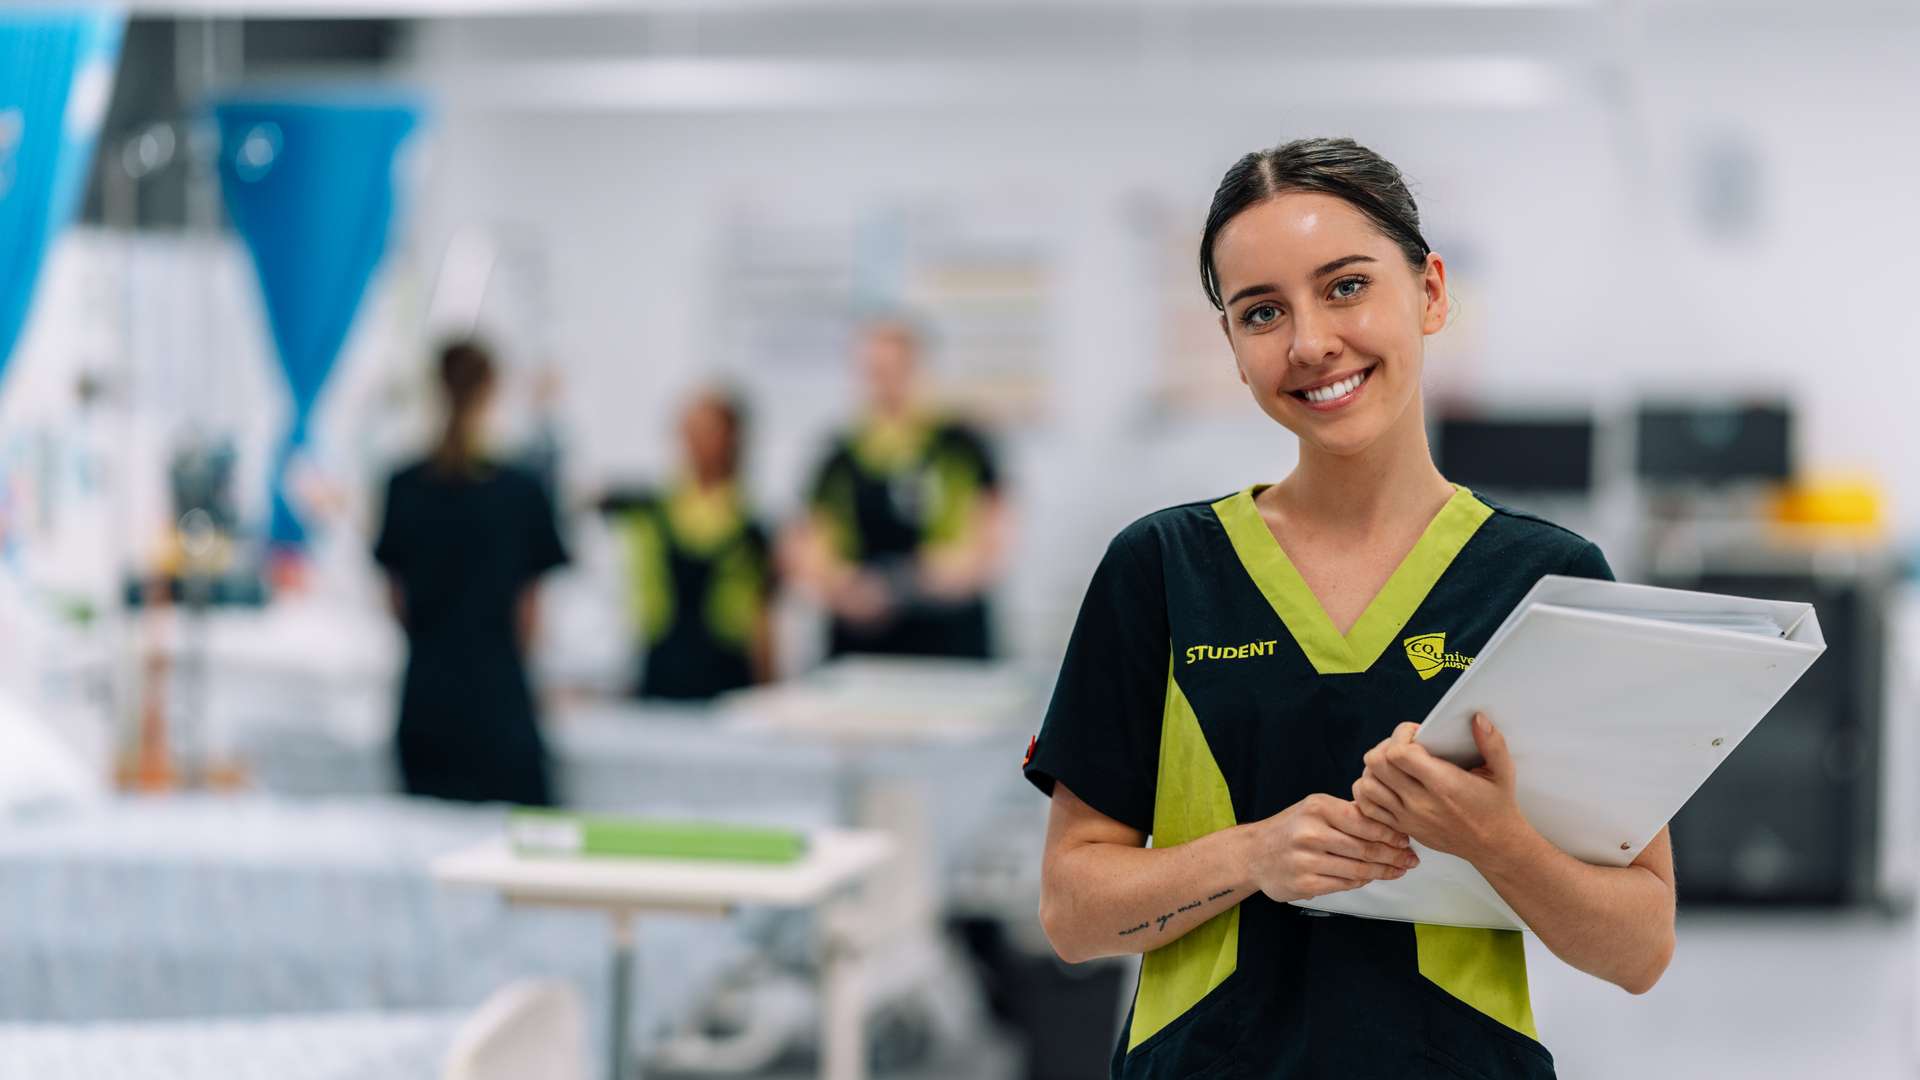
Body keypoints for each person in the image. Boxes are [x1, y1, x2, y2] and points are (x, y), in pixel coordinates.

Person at [1023, 138, 1675, 1079]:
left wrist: (1496, 841)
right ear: (1235, 350)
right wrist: (1252, 856)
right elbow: (1072, 915)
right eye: (1261, 312)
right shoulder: (1161, 569)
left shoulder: (1550, 581)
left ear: (1432, 292)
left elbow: (1639, 947)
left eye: (1345, 286)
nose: (1310, 342)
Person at [373, 340, 569, 805]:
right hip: (498, 697)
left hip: (427, 698)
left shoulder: (403, 487)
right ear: (491, 391)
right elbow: (528, 617)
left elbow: (396, 603)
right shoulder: (522, 492)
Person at [786, 319, 1008, 660]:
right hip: (860, 645)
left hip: (949, 642)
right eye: (874, 370)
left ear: (919, 369)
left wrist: (905, 585)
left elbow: (988, 546)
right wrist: (847, 589)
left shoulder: (962, 446)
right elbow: (808, 547)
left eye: (896, 369)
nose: (886, 381)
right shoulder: (838, 454)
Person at [598, 389, 776, 701]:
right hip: (662, 669)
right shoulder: (652, 509)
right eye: (688, 429)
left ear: (732, 438)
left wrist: (769, 691)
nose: (695, 441)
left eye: (708, 430)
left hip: (726, 675)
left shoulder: (751, 524)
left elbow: (762, 618)